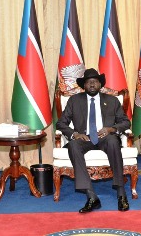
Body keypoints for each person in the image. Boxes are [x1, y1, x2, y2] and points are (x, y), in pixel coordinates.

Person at [56, 68, 131, 213]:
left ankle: (121, 194)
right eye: (88, 82)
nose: (91, 84)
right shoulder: (74, 100)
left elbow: (125, 122)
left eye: (95, 81)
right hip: (84, 138)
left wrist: (110, 129)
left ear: (100, 84)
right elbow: (61, 123)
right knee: (73, 145)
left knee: (113, 142)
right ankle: (91, 196)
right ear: (83, 85)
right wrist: (75, 134)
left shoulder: (112, 100)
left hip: (105, 137)